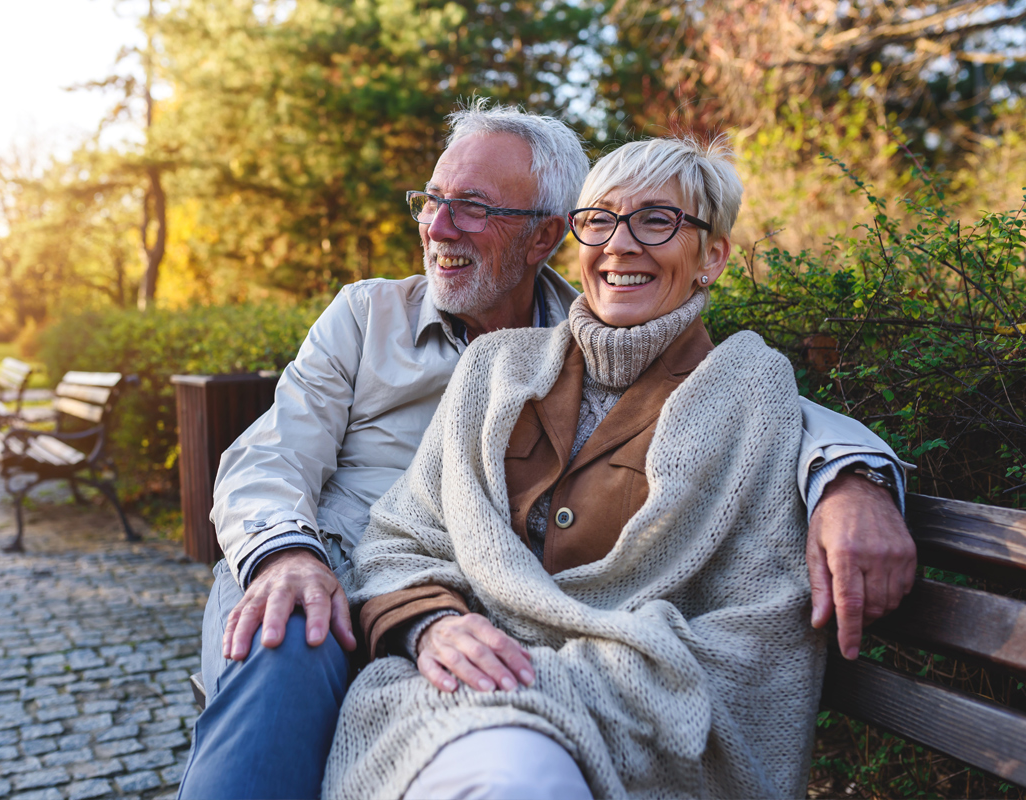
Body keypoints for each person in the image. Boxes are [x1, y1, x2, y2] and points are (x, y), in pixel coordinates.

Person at [178, 102, 915, 800]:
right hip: (330, 573)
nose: (438, 226)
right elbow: (270, 458)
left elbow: (753, 401)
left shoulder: (614, 338)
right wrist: (288, 556)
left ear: (543, 236)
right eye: (431, 200)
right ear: (582, 232)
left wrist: (854, 478)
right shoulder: (377, 319)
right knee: (285, 636)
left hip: (472, 632)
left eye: (473, 206)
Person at [326, 133, 830, 799]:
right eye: (599, 221)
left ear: (712, 255)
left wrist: (544, 681)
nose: (621, 244)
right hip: (449, 698)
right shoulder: (493, 367)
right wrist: (433, 623)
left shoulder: (751, 390)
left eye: (657, 220)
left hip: (634, 723)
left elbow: (760, 629)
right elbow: (402, 535)